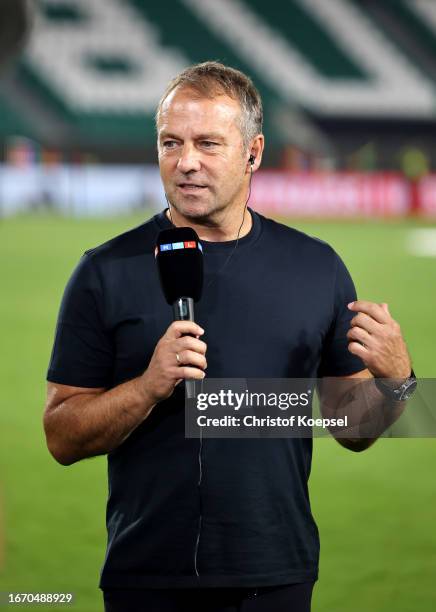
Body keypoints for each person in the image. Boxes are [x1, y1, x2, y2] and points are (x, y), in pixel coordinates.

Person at [44, 61, 415, 612]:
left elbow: (351, 429)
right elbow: (61, 437)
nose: (186, 162)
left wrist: (398, 381)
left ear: (253, 153)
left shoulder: (316, 267)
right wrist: (148, 386)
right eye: (171, 142)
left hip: (278, 574)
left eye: (207, 144)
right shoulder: (105, 271)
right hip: (146, 577)